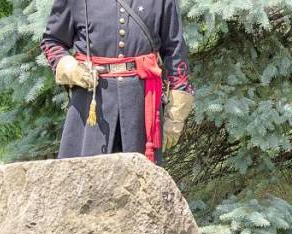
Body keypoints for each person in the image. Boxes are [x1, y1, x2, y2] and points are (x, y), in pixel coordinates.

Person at [41, 0, 195, 163]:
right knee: (85, 179)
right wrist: (70, 67)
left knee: (140, 182)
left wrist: (176, 112)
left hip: (140, 104)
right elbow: (52, 41)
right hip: (90, 103)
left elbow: (175, 52)